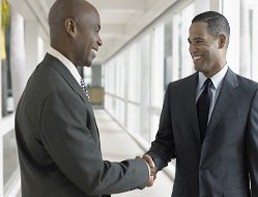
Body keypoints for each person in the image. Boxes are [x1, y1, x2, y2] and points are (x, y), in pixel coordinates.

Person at [14, 0, 155, 196]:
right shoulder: (57, 92)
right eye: (96, 30)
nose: (100, 40)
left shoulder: (48, 77)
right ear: (71, 27)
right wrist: (142, 170)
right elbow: (94, 176)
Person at [142, 11, 258, 196]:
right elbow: (165, 142)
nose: (191, 49)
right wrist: (152, 160)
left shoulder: (251, 94)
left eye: (198, 41)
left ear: (221, 41)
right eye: (190, 42)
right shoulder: (176, 91)